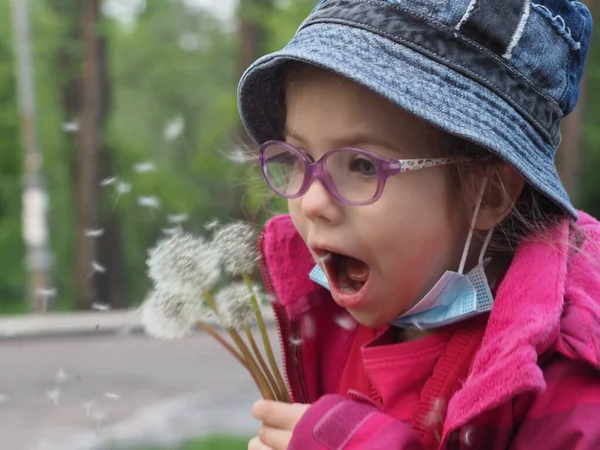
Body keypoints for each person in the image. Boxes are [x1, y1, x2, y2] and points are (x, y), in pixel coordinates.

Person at [237, 0, 599, 449]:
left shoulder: (571, 382)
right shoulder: (343, 323)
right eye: (298, 159)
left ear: (490, 193)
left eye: (362, 166)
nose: (312, 202)